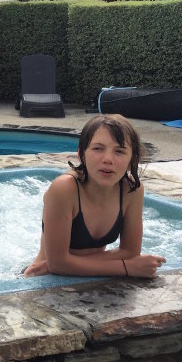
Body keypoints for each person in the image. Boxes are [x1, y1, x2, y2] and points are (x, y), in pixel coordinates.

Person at [24, 114, 166, 279]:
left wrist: (67, 262)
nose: (107, 159)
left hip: (79, 275)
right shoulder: (64, 189)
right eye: (98, 148)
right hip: (41, 279)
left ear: (132, 161)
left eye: (119, 151)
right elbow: (57, 264)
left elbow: (130, 251)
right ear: (81, 155)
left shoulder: (132, 190)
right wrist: (126, 267)